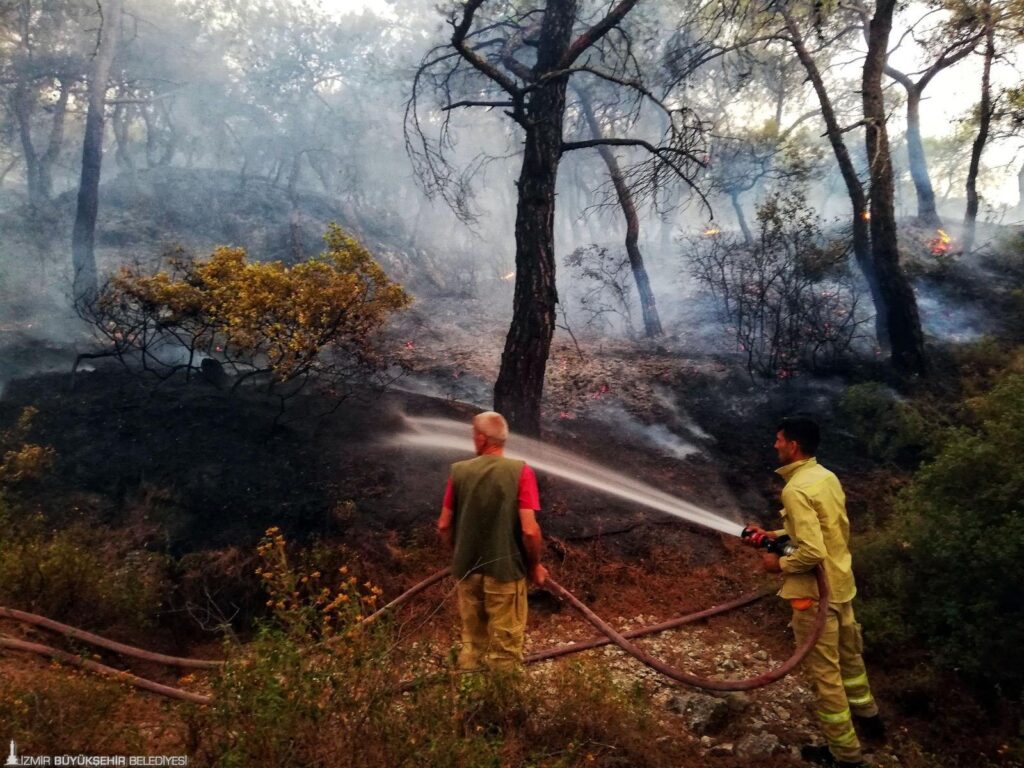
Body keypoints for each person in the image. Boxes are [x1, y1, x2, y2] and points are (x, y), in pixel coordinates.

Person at [744, 416, 885, 768]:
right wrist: (772, 536)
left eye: (779, 440)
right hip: (842, 586)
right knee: (851, 661)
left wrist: (777, 564)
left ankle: (846, 756)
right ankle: (870, 723)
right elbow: (822, 530)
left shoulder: (795, 490)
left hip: (815, 596)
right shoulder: (824, 477)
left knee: (826, 674)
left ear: (793, 445)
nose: (775, 445)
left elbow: (810, 552)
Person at [437, 411, 548, 671]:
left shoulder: (459, 471)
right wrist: (534, 566)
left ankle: (468, 702)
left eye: (474, 435)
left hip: (468, 571)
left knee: (473, 644)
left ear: (483, 439)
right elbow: (530, 531)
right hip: (506, 574)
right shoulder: (520, 472)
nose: (473, 440)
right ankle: (500, 706)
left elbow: (443, 524)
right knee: (505, 649)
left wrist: (460, 552)